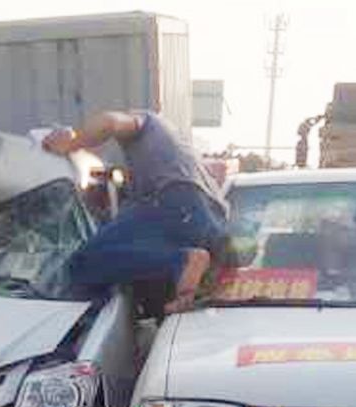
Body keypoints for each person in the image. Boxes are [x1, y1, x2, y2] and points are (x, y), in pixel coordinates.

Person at [43, 110, 228, 312]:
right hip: (210, 222)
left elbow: (110, 122)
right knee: (151, 273)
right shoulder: (176, 148)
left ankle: (183, 260)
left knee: (83, 262)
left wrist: (71, 143)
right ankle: (185, 293)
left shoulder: (145, 121)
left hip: (177, 203)